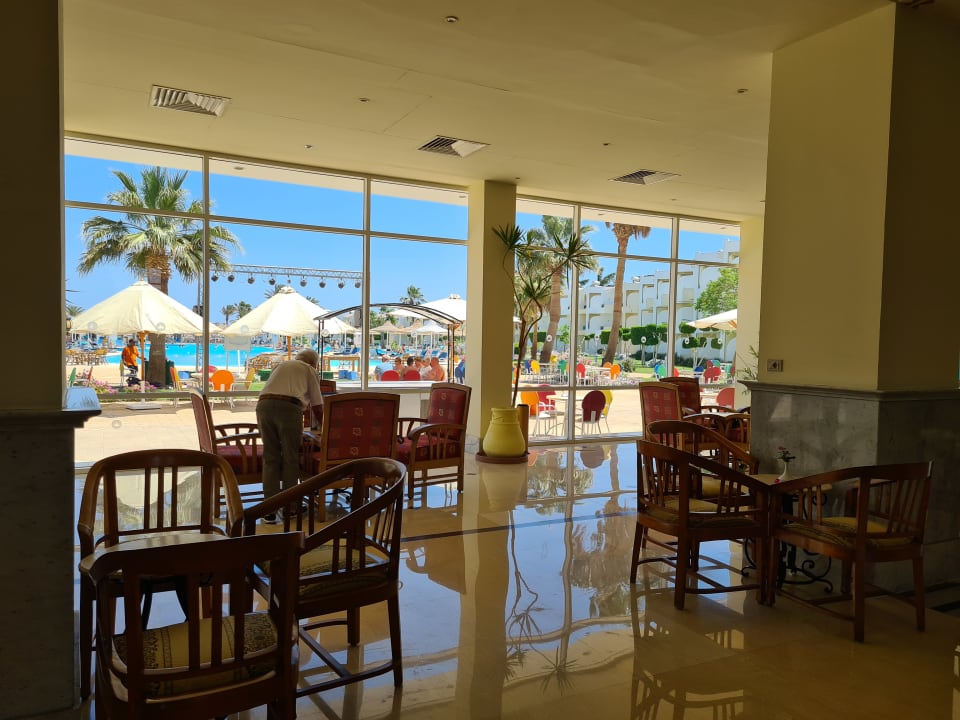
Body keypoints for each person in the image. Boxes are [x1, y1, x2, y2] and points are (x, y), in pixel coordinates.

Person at [256, 348, 325, 523]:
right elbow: (317, 405)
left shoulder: (281, 365)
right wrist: (325, 426)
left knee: (270, 457)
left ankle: (269, 510)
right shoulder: (309, 369)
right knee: (290, 458)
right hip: (289, 409)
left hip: (263, 406)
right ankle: (290, 508)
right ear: (314, 363)